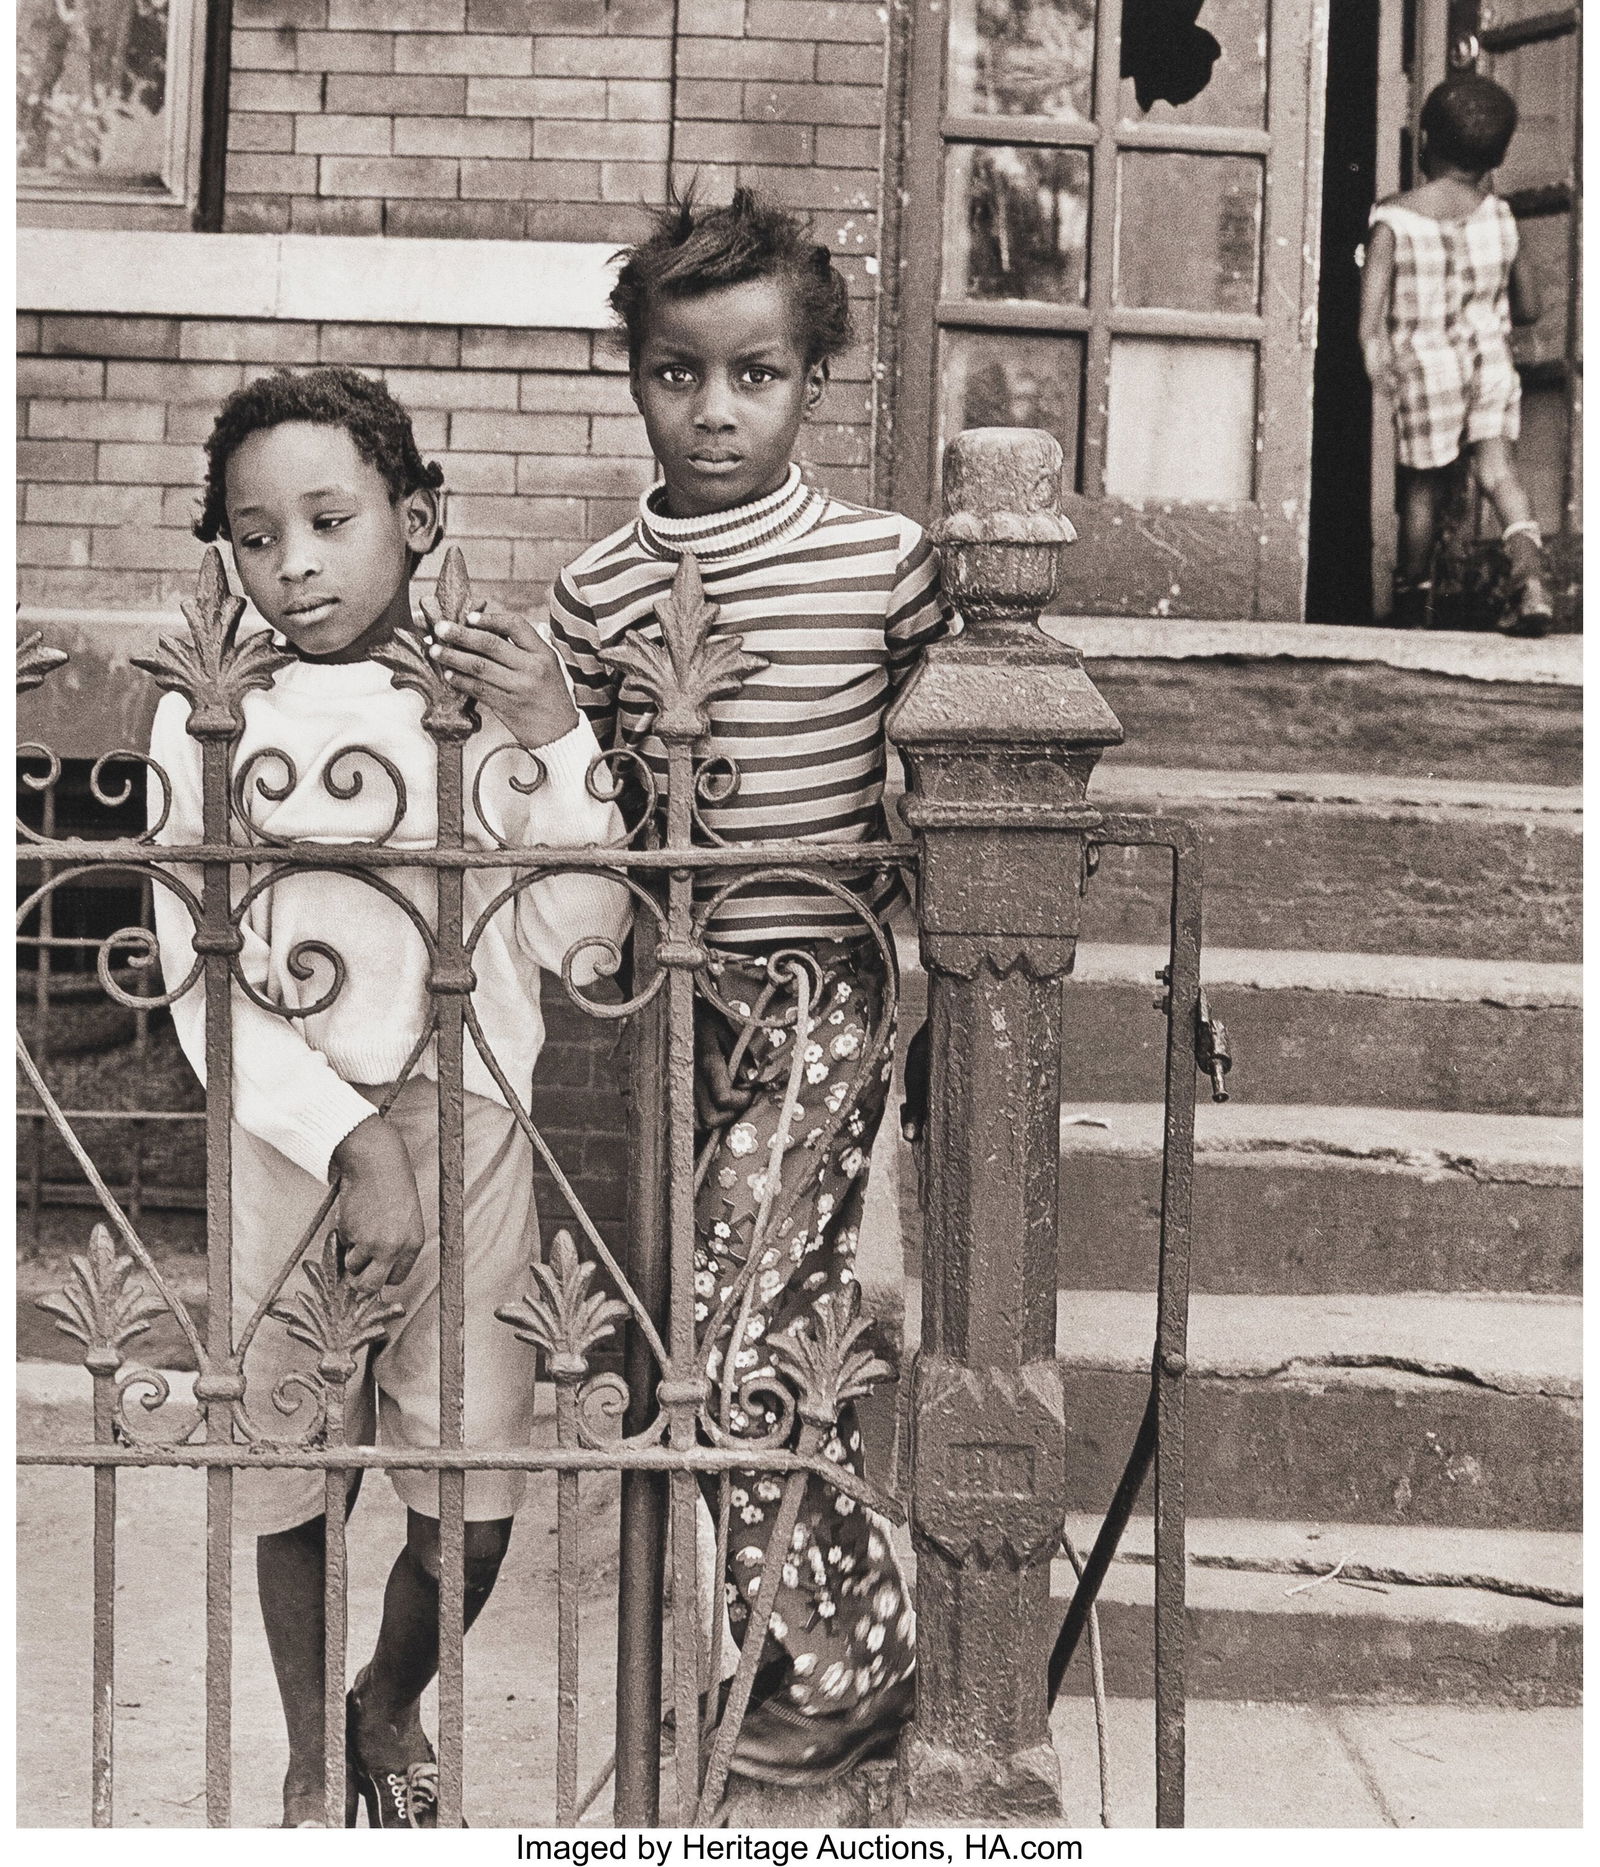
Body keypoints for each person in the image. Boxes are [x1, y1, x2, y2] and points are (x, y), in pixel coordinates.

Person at [441, 186, 948, 1784]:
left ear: (814, 381)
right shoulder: (599, 590)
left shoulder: (883, 561)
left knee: (739, 1335)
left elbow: (961, 769)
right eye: (678, 372)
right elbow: (595, 814)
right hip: (682, 1001)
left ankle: (844, 1673)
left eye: (757, 374)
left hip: (827, 989)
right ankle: (791, 1654)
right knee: (707, 1334)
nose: (714, 408)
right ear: (635, 373)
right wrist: (543, 715)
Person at [149, 366, 628, 1826]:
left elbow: (589, 931)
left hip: (472, 1118)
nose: (292, 562)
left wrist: (552, 735)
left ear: (418, 519)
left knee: (468, 1493)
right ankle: (310, 1747)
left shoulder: (476, 706)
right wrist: (349, 1135)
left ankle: (388, 1695)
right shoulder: (210, 720)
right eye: (252, 533)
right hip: (291, 1136)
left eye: (329, 518)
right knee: (290, 1464)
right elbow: (188, 958)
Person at [1360, 73, 1552, 633]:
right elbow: (1532, 306)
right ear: (1496, 156)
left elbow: (1370, 317)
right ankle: (1532, 585)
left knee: (1423, 486)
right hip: (1490, 363)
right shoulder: (1501, 216)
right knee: (1499, 472)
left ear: (1423, 142)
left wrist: (1378, 361)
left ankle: (1411, 607)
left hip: (1426, 367)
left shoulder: (1392, 219)